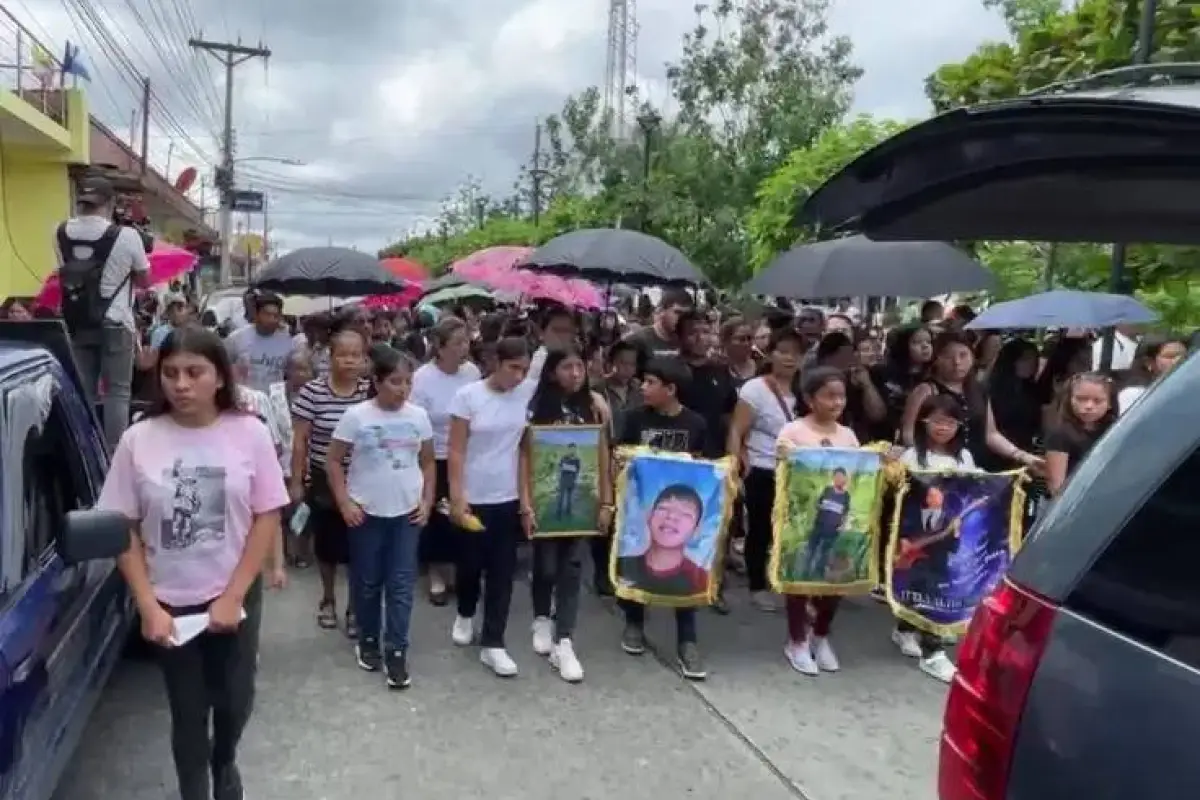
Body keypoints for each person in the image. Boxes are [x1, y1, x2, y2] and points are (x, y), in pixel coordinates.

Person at [97, 325, 288, 800]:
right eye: (170, 373)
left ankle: (225, 758)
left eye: (194, 372)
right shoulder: (138, 440)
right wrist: (148, 606)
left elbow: (267, 513)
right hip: (171, 602)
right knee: (187, 713)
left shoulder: (249, 433)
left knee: (234, 703)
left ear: (219, 377)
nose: (181, 384)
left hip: (235, 597)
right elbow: (122, 527)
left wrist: (234, 594)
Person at [326, 346, 435, 690]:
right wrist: (345, 502)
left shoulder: (418, 416)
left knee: (401, 585)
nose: (402, 389)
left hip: (406, 513)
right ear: (376, 381)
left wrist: (428, 500)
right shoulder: (357, 417)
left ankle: (397, 651)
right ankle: (369, 639)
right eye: (394, 382)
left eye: (407, 382)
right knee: (368, 582)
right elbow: (333, 461)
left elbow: (429, 461)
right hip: (367, 512)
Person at [524, 344, 614, 683]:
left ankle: (565, 639)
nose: (575, 374)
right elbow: (526, 457)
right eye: (567, 367)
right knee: (545, 565)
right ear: (551, 372)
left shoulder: (594, 407)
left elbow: (603, 455)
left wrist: (606, 502)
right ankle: (541, 617)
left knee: (572, 569)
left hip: (585, 503)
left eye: (580, 367)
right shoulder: (536, 409)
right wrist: (527, 503)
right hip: (543, 501)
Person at [446, 336, 533, 677]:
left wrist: (525, 502)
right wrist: (456, 494)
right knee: (469, 566)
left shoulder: (525, 397)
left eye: (524, 370)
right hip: (473, 494)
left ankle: (494, 641)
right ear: (495, 362)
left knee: (502, 571)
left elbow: (525, 451)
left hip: (506, 495)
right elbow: (456, 449)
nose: (519, 376)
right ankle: (466, 611)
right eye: (513, 368)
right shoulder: (468, 397)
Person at [617, 356, 708, 680]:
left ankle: (687, 641)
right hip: (640, 508)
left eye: (651, 383)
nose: (643, 388)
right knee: (636, 564)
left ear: (671, 389)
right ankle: (633, 622)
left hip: (678, 514)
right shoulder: (632, 419)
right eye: (643, 382)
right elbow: (619, 455)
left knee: (683, 571)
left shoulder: (695, 423)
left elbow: (703, 469)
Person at [56, 175, 150, 449]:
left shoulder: (60, 232)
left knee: (83, 389)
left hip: (77, 321)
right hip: (117, 321)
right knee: (117, 393)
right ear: (108, 203)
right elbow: (144, 280)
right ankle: (114, 455)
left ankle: (83, 449)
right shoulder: (127, 236)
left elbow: (66, 271)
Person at [776, 366, 859, 676]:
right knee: (802, 574)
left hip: (835, 522)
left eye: (842, 396)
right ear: (810, 399)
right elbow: (783, 470)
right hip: (803, 520)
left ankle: (821, 635)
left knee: (834, 578)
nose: (837, 402)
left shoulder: (848, 435)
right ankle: (796, 640)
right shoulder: (793, 432)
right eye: (829, 396)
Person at [290, 329, 371, 634]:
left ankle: (354, 607)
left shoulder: (370, 392)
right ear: (330, 357)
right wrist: (297, 481)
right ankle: (327, 599)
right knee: (327, 547)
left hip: (363, 479)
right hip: (324, 481)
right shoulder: (313, 392)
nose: (350, 361)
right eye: (344, 354)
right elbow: (300, 441)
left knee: (358, 548)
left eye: (357, 355)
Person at [892, 392, 976, 683]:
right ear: (923, 421)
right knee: (916, 582)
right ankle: (907, 630)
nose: (943, 428)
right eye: (937, 421)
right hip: (914, 536)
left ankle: (932, 647)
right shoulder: (912, 455)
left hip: (947, 535)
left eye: (950, 422)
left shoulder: (963, 457)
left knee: (938, 585)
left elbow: (972, 490)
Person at [727, 328, 804, 612]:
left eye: (796, 353)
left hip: (799, 470)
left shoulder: (806, 388)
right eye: (783, 351)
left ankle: (787, 580)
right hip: (762, 467)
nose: (789, 358)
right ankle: (757, 584)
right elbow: (737, 429)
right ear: (770, 354)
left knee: (792, 530)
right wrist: (736, 466)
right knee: (761, 528)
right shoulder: (755, 389)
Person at [409, 317, 482, 605]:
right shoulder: (423, 377)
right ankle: (436, 572)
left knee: (463, 511)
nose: (464, 348)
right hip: (435, 453)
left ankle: (456, 567)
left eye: (466, 342)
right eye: (457, 343)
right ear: (439, 347)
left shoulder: (472, 373)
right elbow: (416, 418)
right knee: (438, 515)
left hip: (465, 453)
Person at [616, 484, 708, 596]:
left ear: (696, 529)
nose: (671, 516)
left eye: (685, 514)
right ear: (649, 516)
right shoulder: (624, 567)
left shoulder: (699, 579)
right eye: (663, 508)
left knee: (685, 610)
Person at [1044, 372, 1116, 495]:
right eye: (1081, 399)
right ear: (1070, 399)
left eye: (1097, 401)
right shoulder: (1060, 434)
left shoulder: (1115, 429)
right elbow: (1056, 487)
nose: (1089, 406)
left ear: (1109, 403)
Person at [225, 292, 295, 394]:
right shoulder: (236, 339)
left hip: (274, 401)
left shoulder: (287, 340)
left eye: (275, 315)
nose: (271, 319)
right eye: (267, 314)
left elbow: (291, 372)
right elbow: (224, 366)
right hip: (246, 400)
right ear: (256, 315)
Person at [1117, 334, 1188, 414]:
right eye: (1170, 356)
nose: (1178, 360)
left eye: (1183, 355)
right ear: (1149, 362)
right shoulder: (1136, 393)